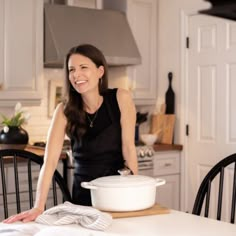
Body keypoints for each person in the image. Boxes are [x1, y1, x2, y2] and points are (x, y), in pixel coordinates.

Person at [3, 44, 138, 223]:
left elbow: (129, 148)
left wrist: (135, 195)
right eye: (71, 69)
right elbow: (50, 162)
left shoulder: (121, 98)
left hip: (117, 196)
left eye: (83, 68)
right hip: (82, 201)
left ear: (100, 71)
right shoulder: (64, 110)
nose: (76, 75)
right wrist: (38, 206)